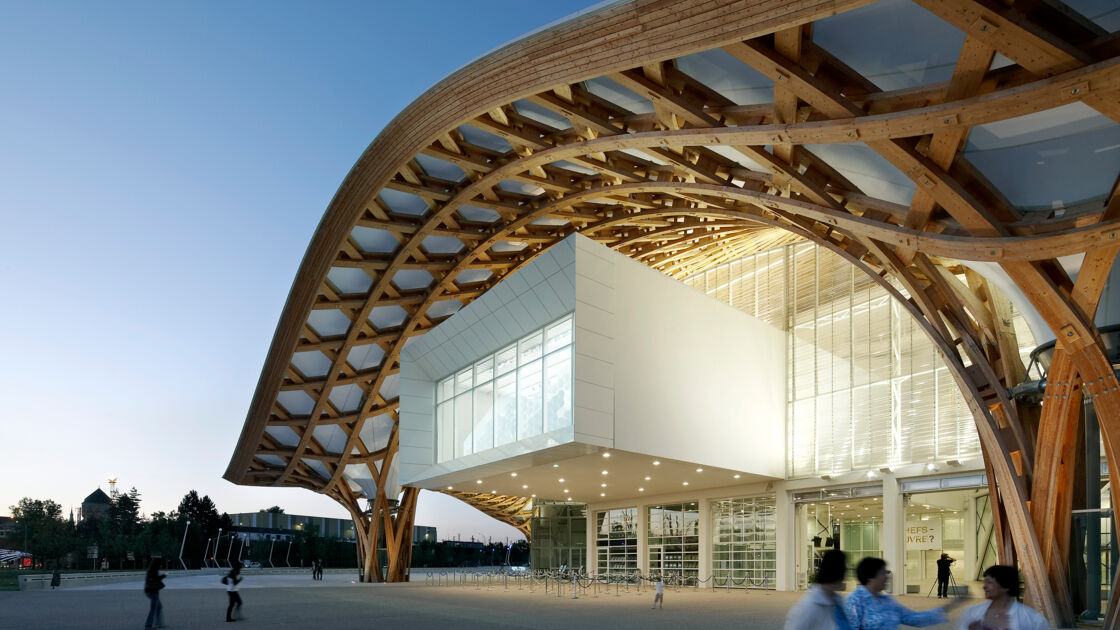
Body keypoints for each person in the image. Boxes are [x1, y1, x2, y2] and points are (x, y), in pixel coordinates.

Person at [845, 557, 966, 630]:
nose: (887, 577)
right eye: (883, 573)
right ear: (871, 576)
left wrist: (949, 606)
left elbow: (915, 618)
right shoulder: (855, 601)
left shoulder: (887, 601)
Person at [957, 565, 1049, 630]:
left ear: (1006, 586)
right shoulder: (973, 613)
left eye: (989, 582)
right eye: (984, 582)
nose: (984, 586)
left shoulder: (1031, 618)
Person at [785, 549, 852, 630]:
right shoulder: (808, 607)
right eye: (844, 571)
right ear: (837, 572)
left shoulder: (837, 600)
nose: (845, 577)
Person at [143, 558, 166, 630]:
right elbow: (156, 580)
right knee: (153, 609)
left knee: (158, 607)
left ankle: (158, 624)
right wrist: (164, 576)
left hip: (149, 591)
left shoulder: (151, 570)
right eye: (160, 564)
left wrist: (163, 576)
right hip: (153, 592)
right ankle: (148, 625)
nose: (161, 566)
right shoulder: (153, 571)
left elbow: (154, 579)